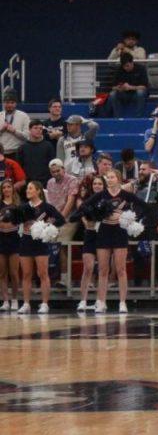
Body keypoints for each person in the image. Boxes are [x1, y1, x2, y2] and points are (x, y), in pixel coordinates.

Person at [71, 169, 151, 313]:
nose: (110, 179)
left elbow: (144, 207)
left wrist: (131, 217)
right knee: (103, 270)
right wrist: (96, 215)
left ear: (119, 179)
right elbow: (84, 207)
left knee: (120, 269)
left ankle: (122, 302)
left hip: (120, 232)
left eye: (112, 177)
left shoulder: (126, 195)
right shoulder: (101, 195)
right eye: (108, 177)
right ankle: (101, 301)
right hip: (104, 232)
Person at [10, 181, 66, 314]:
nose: (27, 191)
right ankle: (26, 303)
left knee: (43, 273)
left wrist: (47, 225)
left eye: (30, 188)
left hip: (41, 243)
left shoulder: (47, 207)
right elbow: (14, 221)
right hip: (26, 241)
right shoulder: (23, 207)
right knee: (27, 274)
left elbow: (61, 220)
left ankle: (45, 303)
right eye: (27, 189)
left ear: (38, 191)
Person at [73, 174, 105, 312]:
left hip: (104, 235)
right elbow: (81, 215)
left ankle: (100, 300)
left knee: (103, 269)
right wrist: (88, 225)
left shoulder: (108, 199)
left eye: (100, 184)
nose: (97, 186)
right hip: (90, 234)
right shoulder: (88, 200)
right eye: (95, 184)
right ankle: (83, 300)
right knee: (88, 268)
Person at [106, 52, 150, 117]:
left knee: (140, 93)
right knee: (112, 94)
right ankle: (117, 117)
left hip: (136, 94)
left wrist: (130, 87)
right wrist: (119, 88)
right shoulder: (119, 70)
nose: (126, 68)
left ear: (132, 63)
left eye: (127, 66)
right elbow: (113, 87)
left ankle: (138, 117)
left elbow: (144, 87)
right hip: (124, 94)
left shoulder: (141, 69)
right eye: (124, 66)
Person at [0, 180, 20, 311]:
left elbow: (21, 221)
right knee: (2, 272)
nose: (6, 189)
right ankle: (5, 300)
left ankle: (15, 299)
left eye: (9, 187)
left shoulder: (18, 205)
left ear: (13, 189)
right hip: (1, 238)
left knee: (13, 272)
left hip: (14, 239)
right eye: (4, 188)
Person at [16, 119, 56, 184]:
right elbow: (19, 167)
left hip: (45, 182)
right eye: (35, 128)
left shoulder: (48, 146)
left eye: (40, 128)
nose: (38, 130)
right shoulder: (22, 148)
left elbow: (52, 165)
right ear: (29, 129)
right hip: (28, 183)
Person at [1, 90, 30, 157]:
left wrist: (14, 131)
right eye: (7, 102)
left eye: (12, 102)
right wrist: (1, 130)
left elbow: (27, 137)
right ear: (3, 103)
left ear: (16, 103)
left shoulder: (24, 116)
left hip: (18, 153)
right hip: (1, 153)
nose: (10, 105)